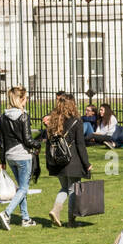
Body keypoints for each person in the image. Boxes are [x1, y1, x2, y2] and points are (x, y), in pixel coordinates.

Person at [0, 86, 42, 230]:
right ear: (21, 99)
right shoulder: (24, 116)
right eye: (26, 98)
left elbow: (2, 141)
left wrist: (2, 160)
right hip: (22, 155)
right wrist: (38, 145)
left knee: (21, 189)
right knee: (23, 188)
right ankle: (6, 213)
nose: (27, 101)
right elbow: (28, 140)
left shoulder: (4, 116)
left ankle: (25, 218)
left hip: (10, 156)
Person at [44, 96, 90, 227]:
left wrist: (49, 163)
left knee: (64, 188)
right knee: (73, 190)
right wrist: (86, 164)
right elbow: (81, 145)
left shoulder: (53, 121)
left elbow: (49, 144)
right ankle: (71, 221)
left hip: (57, 161)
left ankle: (56, 210)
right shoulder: (76, 121)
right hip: (72, 161)